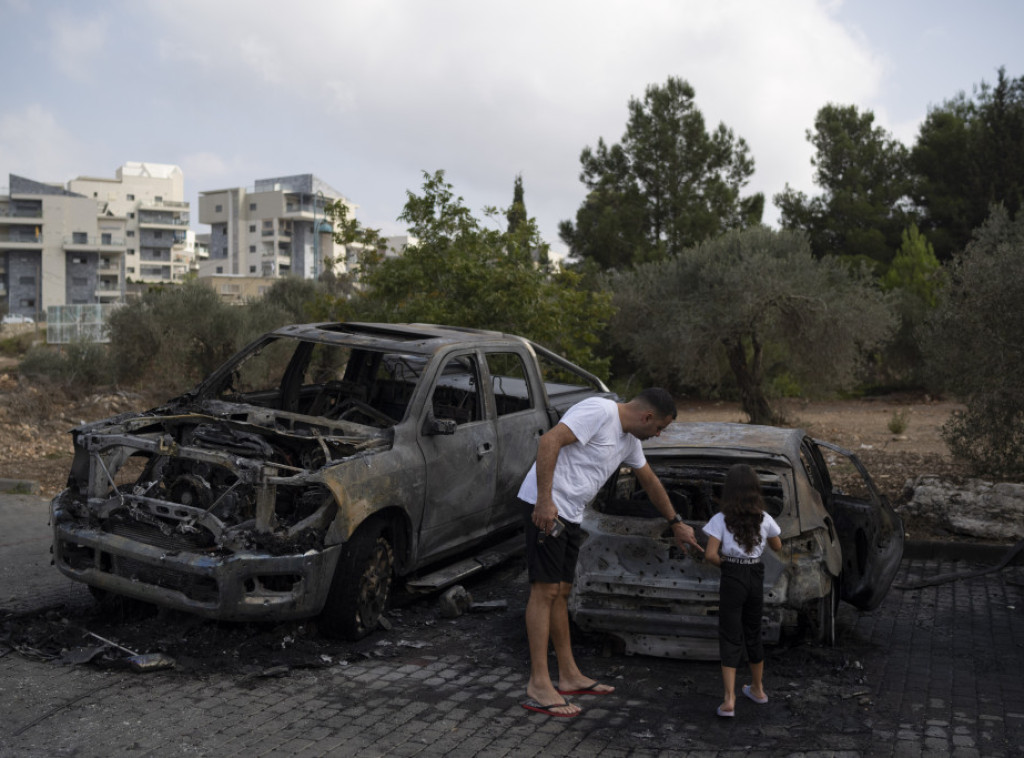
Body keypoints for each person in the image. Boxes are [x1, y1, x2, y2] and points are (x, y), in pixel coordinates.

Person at [517, 388, 703, 717]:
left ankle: (569, 674)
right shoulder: (599, 412)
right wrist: (544, 501)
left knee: (560, 592)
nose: (658, 435)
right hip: (545, 507)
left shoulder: (629, 441)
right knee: (544, 591)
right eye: (659, 428)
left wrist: (675, 522)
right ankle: (538, 683)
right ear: (647, 417)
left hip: (570, 513)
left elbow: (649, 481)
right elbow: (549, 441)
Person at [702, 463, 783, 718]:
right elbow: (778, 546)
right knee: (753, 632)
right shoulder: (765, 518)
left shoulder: (720, 520)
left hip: (733, 576)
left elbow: (710, 555)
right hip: (754, 576)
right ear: (755, 491)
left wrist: (726, 562)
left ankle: (729, 700)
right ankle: (758, 689)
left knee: (730, 634)